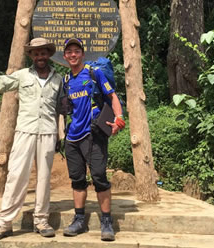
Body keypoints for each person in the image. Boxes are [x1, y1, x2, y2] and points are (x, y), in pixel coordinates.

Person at [0, 38, 63, 241]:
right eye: (36, 53)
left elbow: (60, 110)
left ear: (48, 54)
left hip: (48, 132)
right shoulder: (21, 76)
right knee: (16, 176)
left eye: (43, 52)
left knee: (44, 179)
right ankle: (3, 223)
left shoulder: (58, 79)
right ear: (31, 55)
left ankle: (41, 220)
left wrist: (60, 135)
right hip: (25, 131)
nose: (40, 56)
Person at [61, 38, 125, 241]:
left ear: (82, 53)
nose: (73, 55)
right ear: (65, 56)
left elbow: (112, 95)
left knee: (99, 176)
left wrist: (119, 118)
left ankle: (107, 221)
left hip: (93, 133)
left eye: (76, 51)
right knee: (77, 179)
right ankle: (79, 219)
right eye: (69, 52)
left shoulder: (93, 73)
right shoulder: (66, 80)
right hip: (73, 137)